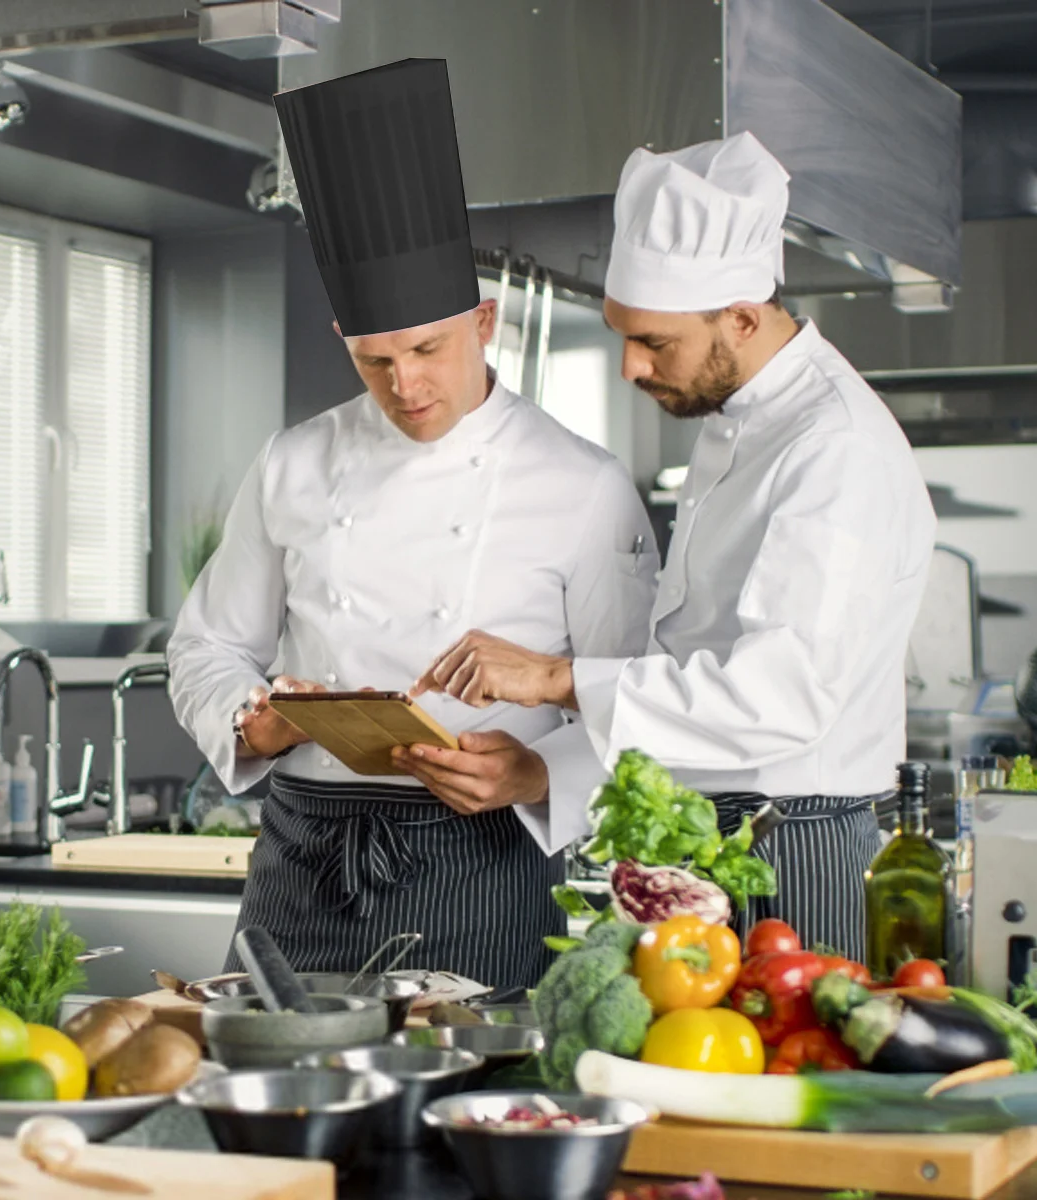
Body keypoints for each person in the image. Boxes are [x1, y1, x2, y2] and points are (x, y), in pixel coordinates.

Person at [166, 59, 656, 989]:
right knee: (269, 1103)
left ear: (486, 320)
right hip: (303, 858)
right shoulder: (293, 462)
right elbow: (205, 646)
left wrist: (535, 777)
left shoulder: (582, 487)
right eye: (375, 361)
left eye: (428, 349)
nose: (407, 387)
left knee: (459, 1109)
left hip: (482, 862)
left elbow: (633, 699)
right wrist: (253, 722)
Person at [410, 133, 937, 960]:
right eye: (623, 335)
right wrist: (550, 762)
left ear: (741, 317)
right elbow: (688, 655)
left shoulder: (835, 446)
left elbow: (782, 697)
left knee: (780, 1085)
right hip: (708, 832)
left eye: (655, 342)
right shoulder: (741, 420)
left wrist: (555, 677)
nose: (629, 366)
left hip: (786, 849)